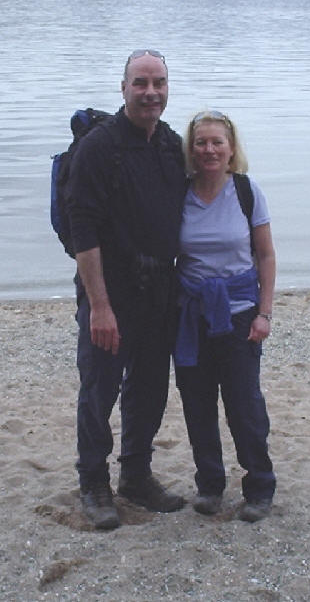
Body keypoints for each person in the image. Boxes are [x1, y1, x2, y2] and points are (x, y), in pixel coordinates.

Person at [66, 49, 187, 529]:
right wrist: (99, 306)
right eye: (141, 82)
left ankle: (135, 475)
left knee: (150, 387)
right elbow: (83, 229)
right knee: (99, 389)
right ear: (123, 88)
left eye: (158, 82)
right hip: (108, 293)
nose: (151, 92)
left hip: (159, 291)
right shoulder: (100, 147)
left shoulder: (169, 145)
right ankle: (94, 482)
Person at [174, 110, 276, 522]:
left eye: (217, 142)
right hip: (191, 315)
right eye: (201, 142)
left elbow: (266, 255)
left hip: (238, 313)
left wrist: (264, 313)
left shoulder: (247, 192)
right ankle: (210, 485)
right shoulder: (178, 193)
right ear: (191, 149)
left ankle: (259, 486)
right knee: (197, 404)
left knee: (244, 404)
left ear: (232, 149)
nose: (209, 150)